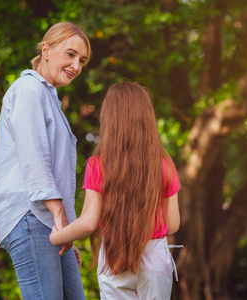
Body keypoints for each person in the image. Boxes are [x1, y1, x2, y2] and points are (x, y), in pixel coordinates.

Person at [50, 82, 182, 299]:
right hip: (156, 258)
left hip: (115, 255)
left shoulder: (98, 164)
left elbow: (89, 222)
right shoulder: (164, 163)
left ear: (109, 120)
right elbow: (173, 224)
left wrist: (56, 238)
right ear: (147, 119)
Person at [0, 22, 91, 300]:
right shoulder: (28, 89)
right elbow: (34, 158)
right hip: (30, 215)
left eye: (81, 60)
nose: (76, 65)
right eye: (70, 54)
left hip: (49, 220)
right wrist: (60, 218)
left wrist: (65, 226)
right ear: (45, 50)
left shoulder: (48, 97)